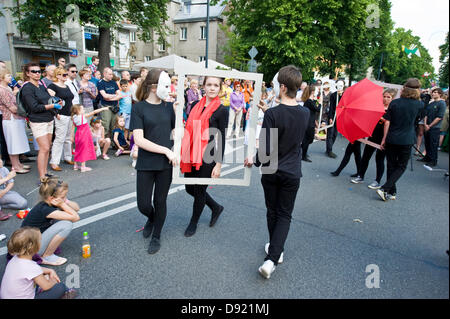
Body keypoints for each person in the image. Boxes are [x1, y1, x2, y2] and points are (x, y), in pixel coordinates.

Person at [244, 65, 309, 279]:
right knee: (284, 214)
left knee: (272, 211)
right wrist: (269, 112)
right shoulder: (305, 113)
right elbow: (291, 124)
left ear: (282, 87)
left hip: (271, 169)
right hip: (292, 171)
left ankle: (272, 256)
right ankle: (275, 253)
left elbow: (266, 148)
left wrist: (254, 160)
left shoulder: (273, 114)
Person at [130, 68, 177, 254]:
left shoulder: (168, 106)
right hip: (146, 162)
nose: (169, 88)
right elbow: (139, 140)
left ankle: (157, 235)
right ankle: (151, 218)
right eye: (166, 85)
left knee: (160, 201)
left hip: (166, 165)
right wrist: (166, 150)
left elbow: (174, 131)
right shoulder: (139, 108)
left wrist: (179, 112)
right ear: (152, 86)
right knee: (143, 204)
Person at [180, 76, 228, 238]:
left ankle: (193, 222)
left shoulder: (222, 110)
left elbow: (222, 137)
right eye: (209, 85)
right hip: (192, 152)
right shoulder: (194, 105)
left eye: (216, 85)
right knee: (189, 188)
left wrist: (219, 164)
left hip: (209, 156)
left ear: (220, 88)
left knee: (199, 190)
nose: (212, 88)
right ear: (203, 86)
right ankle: (215, 207)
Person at [377, 78, 424, 201]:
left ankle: (391, 192)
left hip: (392, 137)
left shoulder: (395, 103)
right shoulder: (420, 105)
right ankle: (385, 189)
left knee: (391, 165)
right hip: (407, 139)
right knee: (401, 166)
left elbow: (388, 122)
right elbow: (416, 122)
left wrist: (384, 139)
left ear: (404, 89)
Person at [0, 227, 77, 299]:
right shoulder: (32, 267)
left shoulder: (15, 258)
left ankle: (39, 288)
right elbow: (46, 286)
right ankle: (66, 292)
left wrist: (50, 270)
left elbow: (30, 271)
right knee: (60, 287)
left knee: (43, 277)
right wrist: (52, 282)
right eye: (40, 240)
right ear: (32, 247)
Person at [21, 176, 80, 265]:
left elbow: (76, 208)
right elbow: (76, 217)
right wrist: (63, 205)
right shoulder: (45, 209)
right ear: (52, 198)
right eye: (63, 196)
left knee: (65, 219)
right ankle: (47, 255)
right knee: (66, 224)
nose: (65, 198)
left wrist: (65, 201)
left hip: (31, 242)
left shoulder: (49, 202)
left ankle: (46, 251)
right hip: (30, 249)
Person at [20, 63, 62, 182]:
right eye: (33, 71)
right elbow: (34, 107)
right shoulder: (27, 88)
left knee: (47, 148)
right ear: (28, 73)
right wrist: (52, 106)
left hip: (48, 119)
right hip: (38, 121)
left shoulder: (41, 85)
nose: (37, 73)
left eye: (39, 71)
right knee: (43, 148)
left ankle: (45, 173)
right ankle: (42, 177)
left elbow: (48, 99)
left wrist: (56, 106)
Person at [351, 89, 396, 188]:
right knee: (366, 156)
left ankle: (377, 181)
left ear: (393, 98)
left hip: (384, 137)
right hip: (373, 135)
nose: (385, 99)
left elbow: (391, 124)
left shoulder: (393, 110)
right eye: (384, 96)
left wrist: (383, 120)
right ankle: (360, 176)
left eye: (388, 97)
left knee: (379, 159)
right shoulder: (377, 107)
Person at [0, 68, 31, 173]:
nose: (11, 78)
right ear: (1, 77)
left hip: (16, 119)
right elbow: (12, 108)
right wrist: (25, 109)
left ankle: (18, 164)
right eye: (8, 75)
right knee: (13, 143)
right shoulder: (2, 90)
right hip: (10, 119)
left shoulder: (7, 88)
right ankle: (15, 166)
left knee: (17, 142)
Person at [47, 67, 75, 171]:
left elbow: (70, 101)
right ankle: (54, 161)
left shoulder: (67, 86)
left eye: (66, 75)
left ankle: (67, 157)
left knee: (68, 138)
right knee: (59, 139)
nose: (66, 76)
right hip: (60, 115)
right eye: (64, 75)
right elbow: (50, 101)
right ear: (57, 75)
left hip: (69, 114)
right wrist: (55, 113)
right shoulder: (52, 86)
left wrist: (73, 113)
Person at [70, 104, 109, 172]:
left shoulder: (74, 117)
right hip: (84, 135)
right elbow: (94, 112)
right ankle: (83, 166)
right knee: (84, 150)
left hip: (78, 135)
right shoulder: (82, 116)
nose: (84, 110)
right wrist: (103, 109)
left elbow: (73, 128)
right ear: (78, 111)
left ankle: (75, 165)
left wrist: (71, 137)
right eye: (82, 109)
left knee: (78, 149)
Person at [418, 87, 446, 167]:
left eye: (435, 92)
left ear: (440, 94)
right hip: (427, 126)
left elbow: (439, 117)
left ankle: (433, 161)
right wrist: (426, 124)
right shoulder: (431, 103)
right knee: (427, 143)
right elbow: (426, 114)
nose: (433, 94)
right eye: (433, 92)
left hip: (435, 127)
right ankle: (427, 158)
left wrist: (430, 125)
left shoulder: (441, 103)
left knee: (433, 144)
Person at [97, 67, 121, 138]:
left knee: (114, 125)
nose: (111, 76)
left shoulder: (114, 83)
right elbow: (104, 96)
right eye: (110, 74)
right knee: (105, 125)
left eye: (112, 74)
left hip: (114, 106)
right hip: (106, 106)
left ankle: (114, 143)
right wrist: (115, 96)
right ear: (104, 74)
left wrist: (110, 97)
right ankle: (103, 142)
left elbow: (120, 95)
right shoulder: (100, 83)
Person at [301, 85, 321, 162]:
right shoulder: (308, 101)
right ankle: (303, 155)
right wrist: (320, 103)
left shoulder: (311, 101)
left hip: (310, 122)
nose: (318, 92)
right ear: (312, 92)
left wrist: (317, 101)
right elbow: (317, 109)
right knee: (307, 139)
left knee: (309, 139)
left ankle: (303, 152)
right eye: (316, 90)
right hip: (308, 123)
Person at [325, 80, 345, 158]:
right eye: (338, 85)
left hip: (340, 117)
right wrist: (330, 117)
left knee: (335, 134)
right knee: (330, 133)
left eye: (341, 85)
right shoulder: (333, 95)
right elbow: (331, 107)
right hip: (333, 116)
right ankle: (329, 150)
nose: (339, 87)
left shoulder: (345, 95)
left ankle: (329, 148)